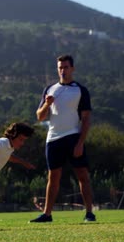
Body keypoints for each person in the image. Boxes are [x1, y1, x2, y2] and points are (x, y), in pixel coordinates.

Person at [30, 54, 96, 223]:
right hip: (53, 139)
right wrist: (47, 104)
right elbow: (39, 117)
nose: (63, 70)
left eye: (66, 67)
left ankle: (89, 212)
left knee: (82, 175)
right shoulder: (50, 89)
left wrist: (80, 142)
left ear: (72, 69)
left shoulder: (80, 90)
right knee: (53, 177)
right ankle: (47, 214)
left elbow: (86, 119)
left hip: (73, 136)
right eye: (60, 67)